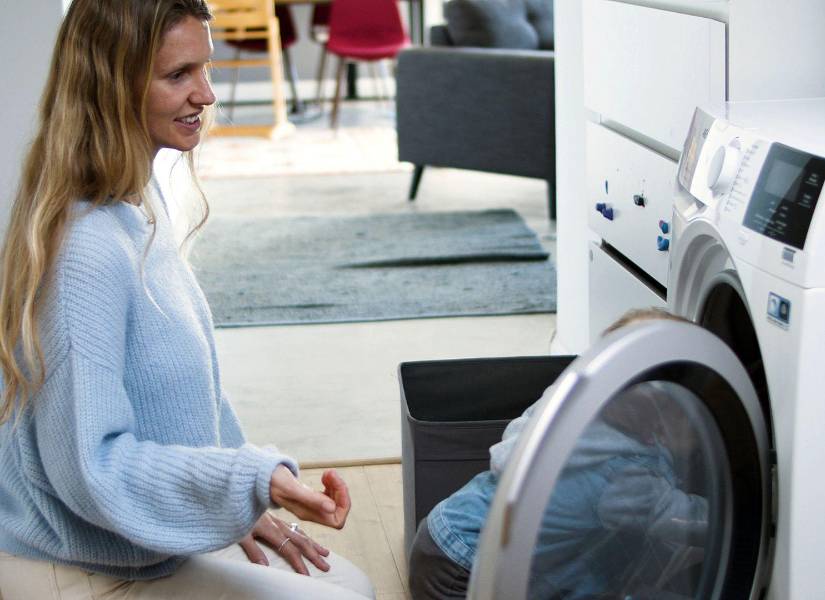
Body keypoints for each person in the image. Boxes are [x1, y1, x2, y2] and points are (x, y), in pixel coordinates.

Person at [0, 1, 373, 598]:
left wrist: (229, 504)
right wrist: (248, 481)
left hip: (136, 537)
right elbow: (91, 468)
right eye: (178, 75)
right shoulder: (86, 251)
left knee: (351, 582)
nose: (206, 94)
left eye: (205, 68)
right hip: (78, 557)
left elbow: (182, 399)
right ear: (113, 85)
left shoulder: (135, 198)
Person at [408, 309, 710, 599]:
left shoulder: (568, 399)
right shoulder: (622, 474)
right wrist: (730, 517)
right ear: (658, 412)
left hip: (444, 531)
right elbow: (677, 517)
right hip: (463, 572)